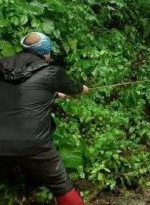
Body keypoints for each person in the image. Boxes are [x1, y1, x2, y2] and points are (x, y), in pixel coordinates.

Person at [0, 32, 89, 205]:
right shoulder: (52, 72)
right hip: (34, 144)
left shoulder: (2, 67)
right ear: (45, 52)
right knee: (61, 185)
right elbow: (77, 89)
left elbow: (20, 93)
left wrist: (54, 94)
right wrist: (85, 89)